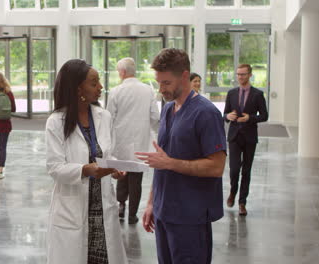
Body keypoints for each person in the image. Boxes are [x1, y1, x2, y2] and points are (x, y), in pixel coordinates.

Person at [136, 48, 227, 264]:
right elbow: (161, 160)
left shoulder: (206, 113)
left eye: (166, 83)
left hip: (190, 217)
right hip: (164, 212)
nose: (161, 89)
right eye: (159, 83)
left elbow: (216, 167)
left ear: (185, 76)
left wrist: (170, 163)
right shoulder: (168, 110)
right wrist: (151, 203)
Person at [45, 59, 128, 264]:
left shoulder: (104, 116)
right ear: (77, 88)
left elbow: (108, 154)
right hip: (73, 210)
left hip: (102, 210)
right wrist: (84, 169)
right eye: (94, 83)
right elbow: (54, 168)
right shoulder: (56, 122)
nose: (100, 87)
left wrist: (115, 167)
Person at [106, 57, 159, 225]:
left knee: (121, 174)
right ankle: (133, 214)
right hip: (141, 141)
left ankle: (121, 206)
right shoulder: (148, 90)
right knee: (136, 179)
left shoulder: (115, 91)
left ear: (122, 72)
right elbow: (155, 117)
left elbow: (109, 118)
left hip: (120, 140)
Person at [224, 64, 268, 216]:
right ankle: (232, 192)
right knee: (234, 169)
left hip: (249, 137)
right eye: (238, 74)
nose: (240, 77)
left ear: (250, 75)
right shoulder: (231, 93)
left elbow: (264, 116)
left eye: (243, 74)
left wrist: (250, 118)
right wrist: (227, 117)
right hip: (234, 136)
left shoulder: (257, 94)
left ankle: (242, 202)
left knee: (246, 171)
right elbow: (225, 114)